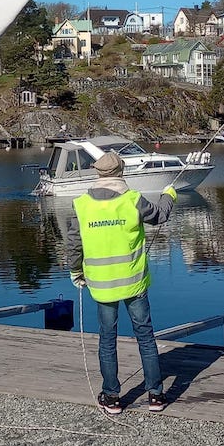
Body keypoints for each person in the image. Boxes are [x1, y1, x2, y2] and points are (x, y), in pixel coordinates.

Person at [65, 150, 177, 415]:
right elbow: (160, 215)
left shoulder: (81, 204)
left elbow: (73, 245)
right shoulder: (132, 200)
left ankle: (112, 398)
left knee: (107, 340)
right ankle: (156, 396)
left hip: (102, 286)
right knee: (146, 337)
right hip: (134, 283)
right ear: (121, 173)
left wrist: (75, 272)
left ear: (98, 173)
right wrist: (169, 194)